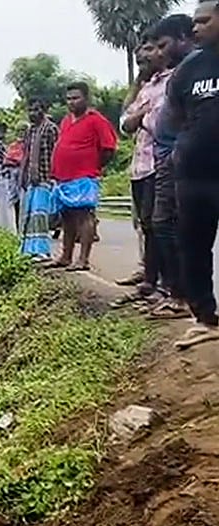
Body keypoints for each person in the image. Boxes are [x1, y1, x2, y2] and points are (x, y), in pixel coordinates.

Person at [136, 14, 198, 322]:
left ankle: (183, 297)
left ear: (184, 39)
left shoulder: (196, 71)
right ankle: (177, 295)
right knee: (162, 224)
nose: (157, 53)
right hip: (164, 158)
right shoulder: (176, 74)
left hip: (178, 157)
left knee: (171, 225)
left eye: (162, 45)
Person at [169, 0, 219, 349]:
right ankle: (205, 318)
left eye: (203, 21)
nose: (194, 28)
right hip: (194, 176)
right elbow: (175, 116)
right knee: (194, 246)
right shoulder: (188, 70)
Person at [115, 38, 166, 305]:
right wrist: (136, 117)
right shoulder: (146, 86)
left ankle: (163, 285)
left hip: (161, 164)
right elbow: (125, 122)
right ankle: (149, 278)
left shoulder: (172, 81)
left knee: (158, 224)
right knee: (146, 224)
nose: (141, 57)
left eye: (147, 50)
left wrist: (139, 120)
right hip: (140, 166)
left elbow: (160, 122)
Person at [49, 81, 118, 271]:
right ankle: (66, 256)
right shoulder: (65, 120)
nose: (71, 102)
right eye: (68, 99)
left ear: (86, 99)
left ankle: (83, 259)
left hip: (84, 176)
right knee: (66, 217)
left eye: (76, 98)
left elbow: (109, 149)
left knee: (83, 216)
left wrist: (94, 165)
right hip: (63, 177)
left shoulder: (96, 120)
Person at [19, 98, 60, 259]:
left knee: (40, 214)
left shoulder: (50, 129)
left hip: (45, 178)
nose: (32, 113)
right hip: (31, 178)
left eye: (36, 110)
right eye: (30, 110)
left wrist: (55, 177)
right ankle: (28, 249)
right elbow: (26, 154)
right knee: (28, 215)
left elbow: (57, 154)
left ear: (44, 110)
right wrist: (23, 175)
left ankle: (42, 250)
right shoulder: (30, 131)